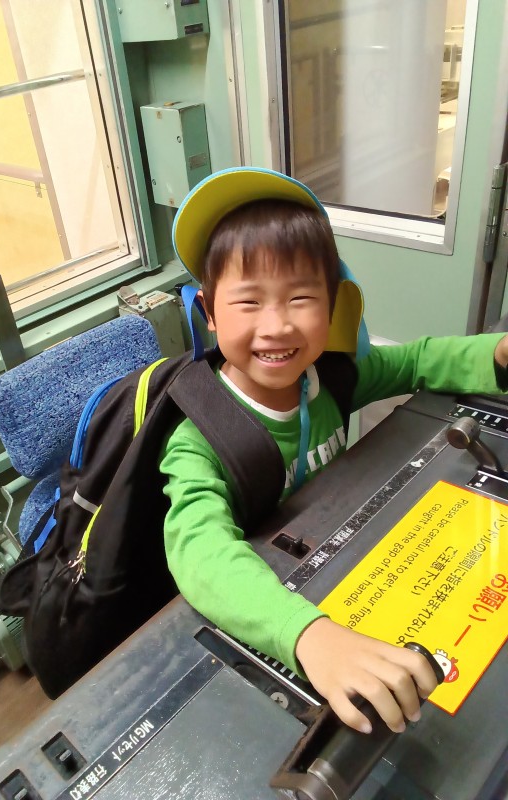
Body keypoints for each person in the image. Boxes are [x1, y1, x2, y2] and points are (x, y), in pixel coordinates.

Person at [160, 166, 508, 735]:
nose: (276, 326)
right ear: (209, 312)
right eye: (248, 301)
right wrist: (308, 636)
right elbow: (199, 549)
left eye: (300, 297)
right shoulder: (199, 437)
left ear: (332, 304)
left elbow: (416, 360)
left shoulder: (330, 379)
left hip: (343, 569)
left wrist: (495, 354)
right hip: (268, 622)